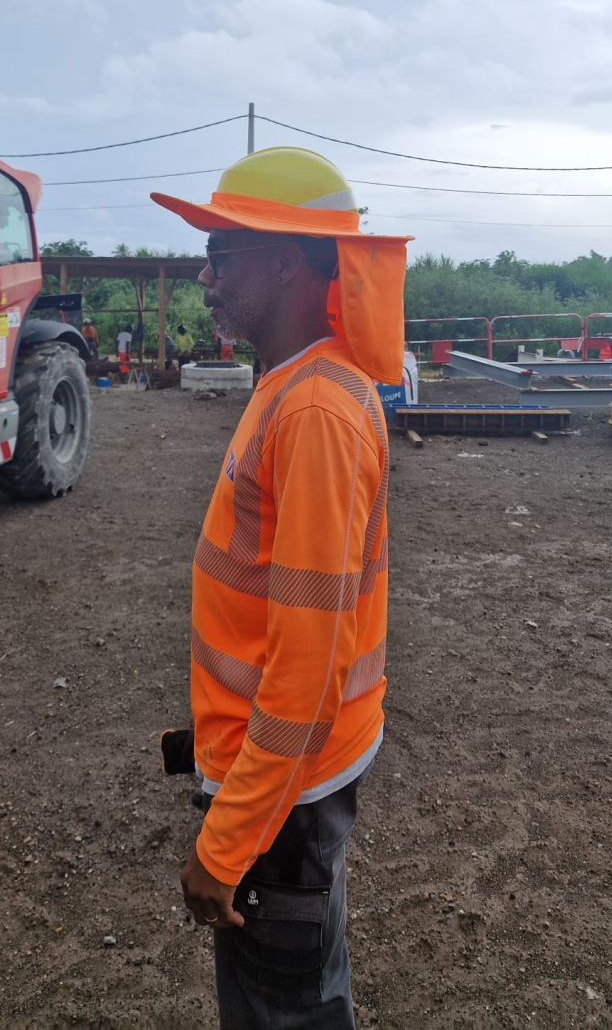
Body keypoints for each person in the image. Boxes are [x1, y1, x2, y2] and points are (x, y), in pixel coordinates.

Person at [151, 147, 409, 1029]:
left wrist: (225, 848)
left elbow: (306, 673)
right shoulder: (293, 384)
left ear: (289, 261)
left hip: (283, 800)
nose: (204, 274)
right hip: (289, 781)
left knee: (285, 1009)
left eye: (221, 253)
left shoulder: (315, 410)